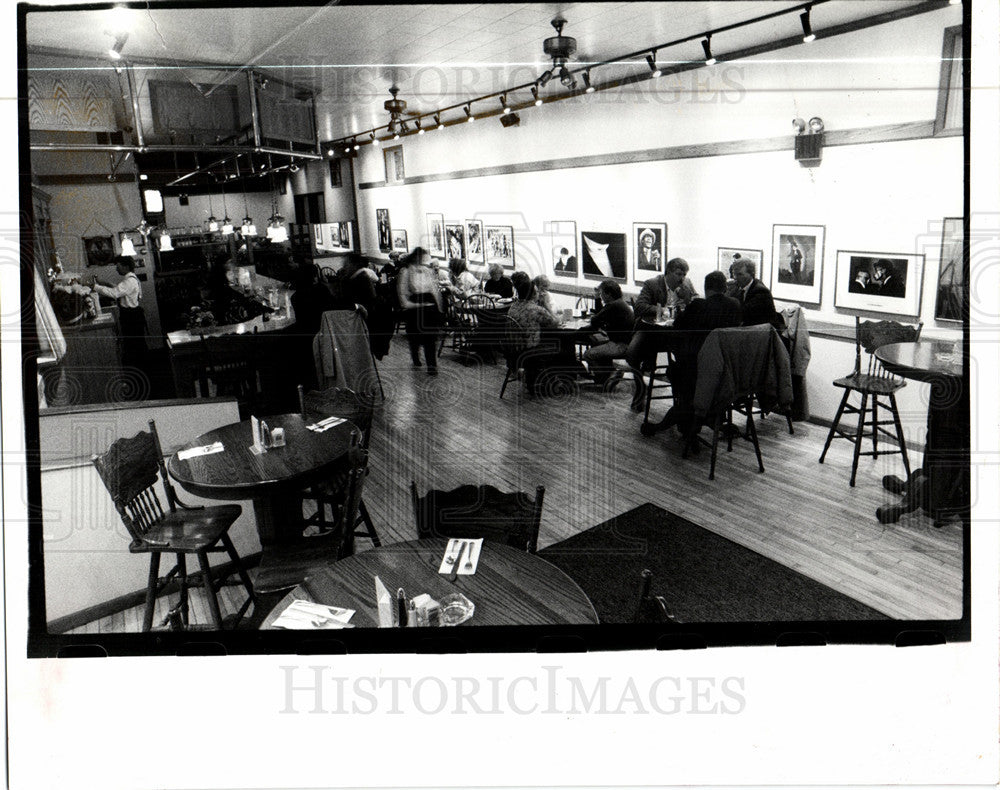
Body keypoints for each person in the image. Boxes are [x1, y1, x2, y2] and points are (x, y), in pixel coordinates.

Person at [641, 270, 742, 439]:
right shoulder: (735, 304)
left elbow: (679, 327)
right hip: (726, 369)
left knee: (674, 370)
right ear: (724, 287)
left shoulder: (698, 306)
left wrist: (689, 302)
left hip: (697, 370)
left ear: (706, 287)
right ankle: (708, 414)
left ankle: (685, 411)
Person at [506, 272, 575, 395]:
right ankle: (566, 380)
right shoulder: (535, 309)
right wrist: (546, 305)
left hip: (514, 350)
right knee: (565, 345)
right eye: (537, 292)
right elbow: (555, 322)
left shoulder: (513, 306)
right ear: (532, 294)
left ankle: (541, 379)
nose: (539, 293)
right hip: (530, 350)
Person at [91, 257, 147, 373]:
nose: (116, 268)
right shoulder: (131, 279)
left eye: (118, 266)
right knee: (136, 344)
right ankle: (139, 370)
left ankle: (138, 371)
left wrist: (94, 287)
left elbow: (115, 293)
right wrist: (103, 282)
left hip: (131, 317)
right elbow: (118, 288)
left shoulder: (129, 281)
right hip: (133, 315)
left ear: (125, 266)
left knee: (134, 345)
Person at [397, 247, 444, 374]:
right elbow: (403, 292)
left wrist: (439, 308)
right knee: (415, 336)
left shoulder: (427, 271)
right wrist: (409, 305)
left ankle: (432, 365)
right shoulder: (406, 271)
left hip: (429, 305)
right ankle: (415, 356)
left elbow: (434, 289)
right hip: (415, 305)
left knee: (430, 337)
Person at [582, 279, 635, 387]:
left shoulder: (613, 305)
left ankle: (606, 378)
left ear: (608, 294)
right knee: (596, 341)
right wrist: (597, 298)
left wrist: (596, 299)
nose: (601, 296)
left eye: (601, 294)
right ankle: (608, 375)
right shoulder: (619, 302)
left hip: (620, 345)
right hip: (627, 342)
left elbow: (595, 320)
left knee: (588, 354)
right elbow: (600, 315)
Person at [633, 257, 699, 322]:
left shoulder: (687, 282)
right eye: (678, 274)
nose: (682, 279)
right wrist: (662, 310)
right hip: (654, 326)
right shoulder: (652, 284)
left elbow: (696, 301)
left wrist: (687, 299)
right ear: (668, 272)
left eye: (684, 275)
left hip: (678, 326)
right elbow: (639, 306)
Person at [731, 258, 785, 331]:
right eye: (734, 274)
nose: (735, 278)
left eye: (740, 274)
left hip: (765, 334)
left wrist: (728, 295)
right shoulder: (738, 288)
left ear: (751, 274)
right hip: (750, 329)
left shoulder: (761, 291)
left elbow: (743, 313)